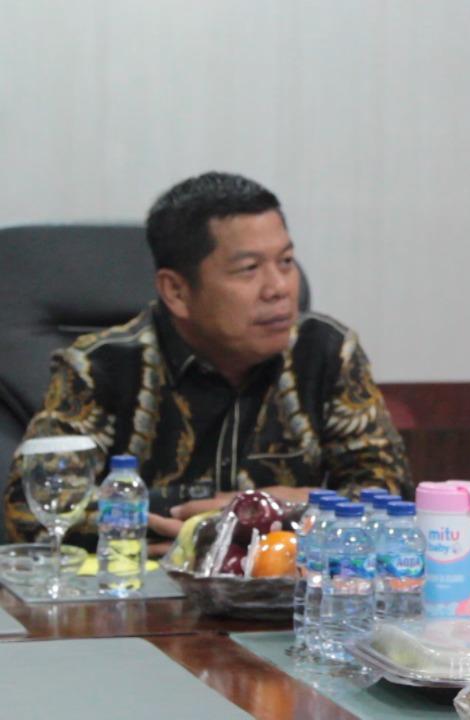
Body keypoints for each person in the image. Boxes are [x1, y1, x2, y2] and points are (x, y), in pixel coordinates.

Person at [3, 171, 411, 554]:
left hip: (284, 592)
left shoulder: (326, 352)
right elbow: (31, 511)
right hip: (144, 592)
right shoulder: (99, 367)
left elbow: (389, 494)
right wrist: (198, 531)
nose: (279, 288)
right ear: (176, 291)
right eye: (249, 269)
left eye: (286, 262)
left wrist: (279, 510)